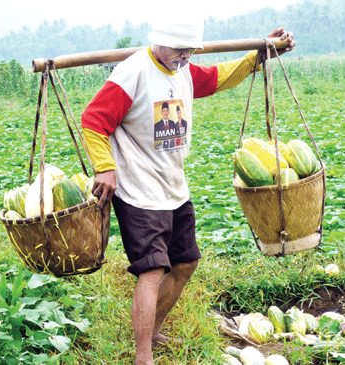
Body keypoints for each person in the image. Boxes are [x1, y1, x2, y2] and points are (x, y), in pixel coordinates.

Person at [81, 14, 295, 365]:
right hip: (139, 190)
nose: (185, 57)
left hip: (173, 187)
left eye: (190, 51)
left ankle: (154, 330)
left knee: (185, 262)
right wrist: (105, 167)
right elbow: (94, 120)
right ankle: (143, 354)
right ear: (161, 42)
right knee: (151, 269)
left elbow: (218, 77)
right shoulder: (132, 73)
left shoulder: (183, 69)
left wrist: (259, 55)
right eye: (180, 50)